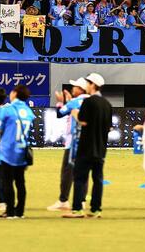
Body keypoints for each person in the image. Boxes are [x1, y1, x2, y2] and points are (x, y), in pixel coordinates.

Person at [65, 72, 111, 219]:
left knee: (80, 178)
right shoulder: (107, 104)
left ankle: (78, 209)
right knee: (97, 179)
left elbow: (83, 121)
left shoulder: (88, 102)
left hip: (86, 146)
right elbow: (108, 127)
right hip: (101, 147)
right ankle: (96, 209)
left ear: (92, 85)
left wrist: (74, 112)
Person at [49, 78, 89, 211]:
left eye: (75, 86)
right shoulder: (91, 101)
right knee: (84, 172)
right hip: (87, 142)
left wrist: (61, 102)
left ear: (81, 89)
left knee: (67, 172)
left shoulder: (75, 102)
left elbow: (60, 113)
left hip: (73, 143)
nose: (73, 88)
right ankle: (82, 200)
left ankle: (63, 200)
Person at [0, 84, 35, 219]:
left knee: (7, 182)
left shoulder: (8, 110)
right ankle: (20, 211)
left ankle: (10, 211)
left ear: (15, 93)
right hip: (22, 150)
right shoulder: (28, 111)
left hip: (8, 151)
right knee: (20, 182)